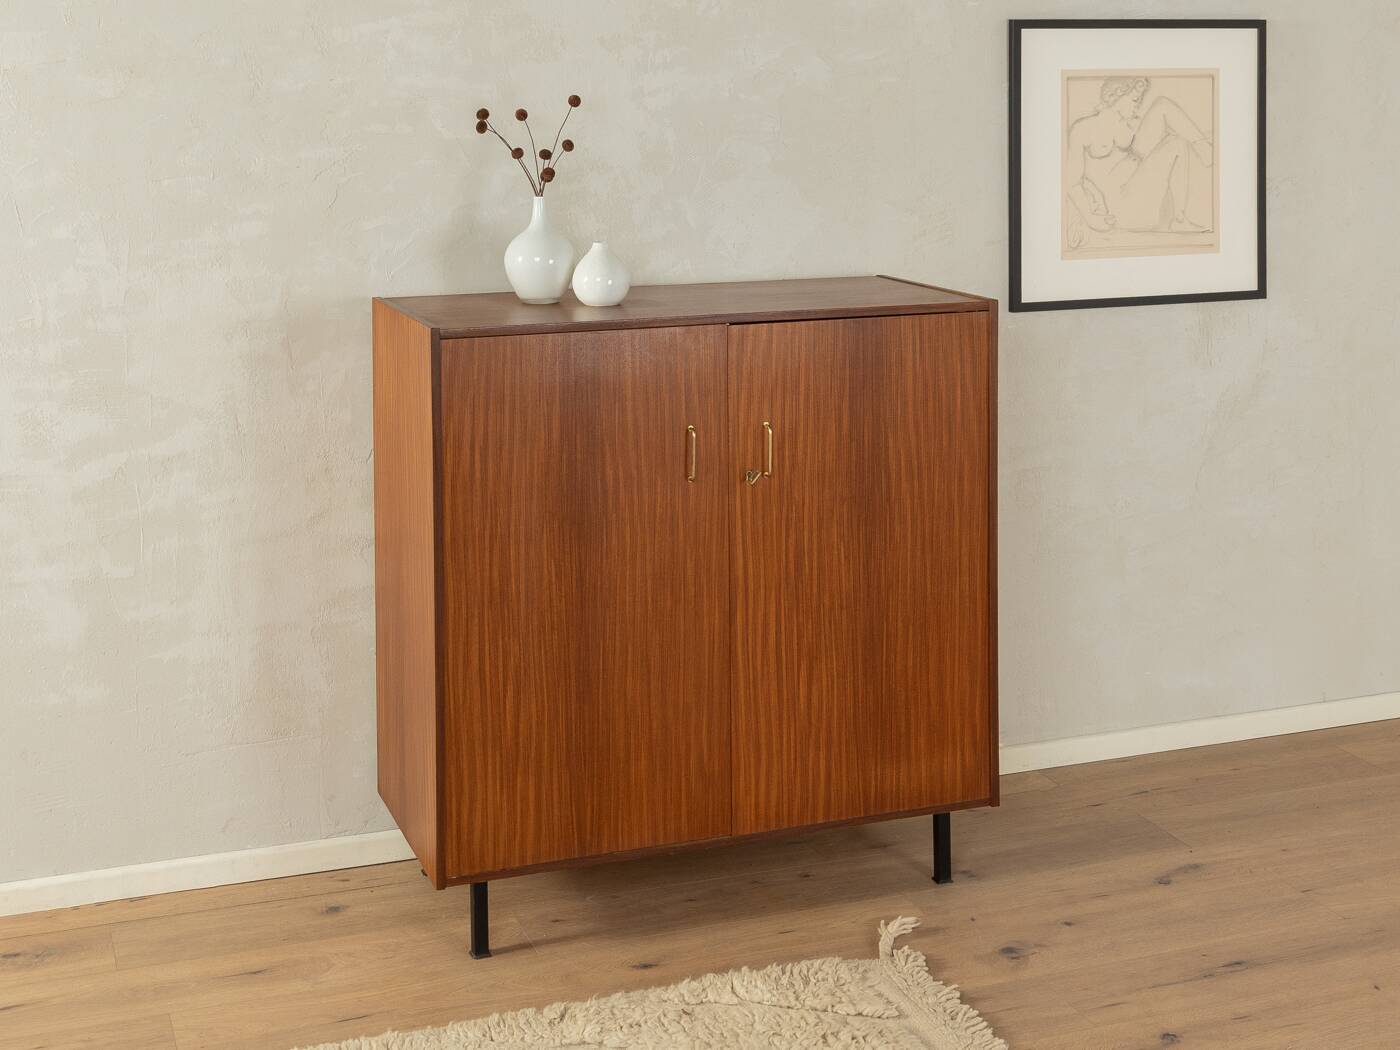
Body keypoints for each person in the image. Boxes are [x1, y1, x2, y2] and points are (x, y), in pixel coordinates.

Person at [1064, 76, 1215, 236]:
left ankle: (1180, 218)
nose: (1138, 107)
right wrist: (1091, 218)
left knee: (1164, 108)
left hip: (1140, 192)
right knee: (1176, 142)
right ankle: (1209, 154)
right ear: (1116, 96)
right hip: (1121, 208)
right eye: (1135, 100)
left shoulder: (1128, 125)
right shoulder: (1082, 129)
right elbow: (1072, 182)